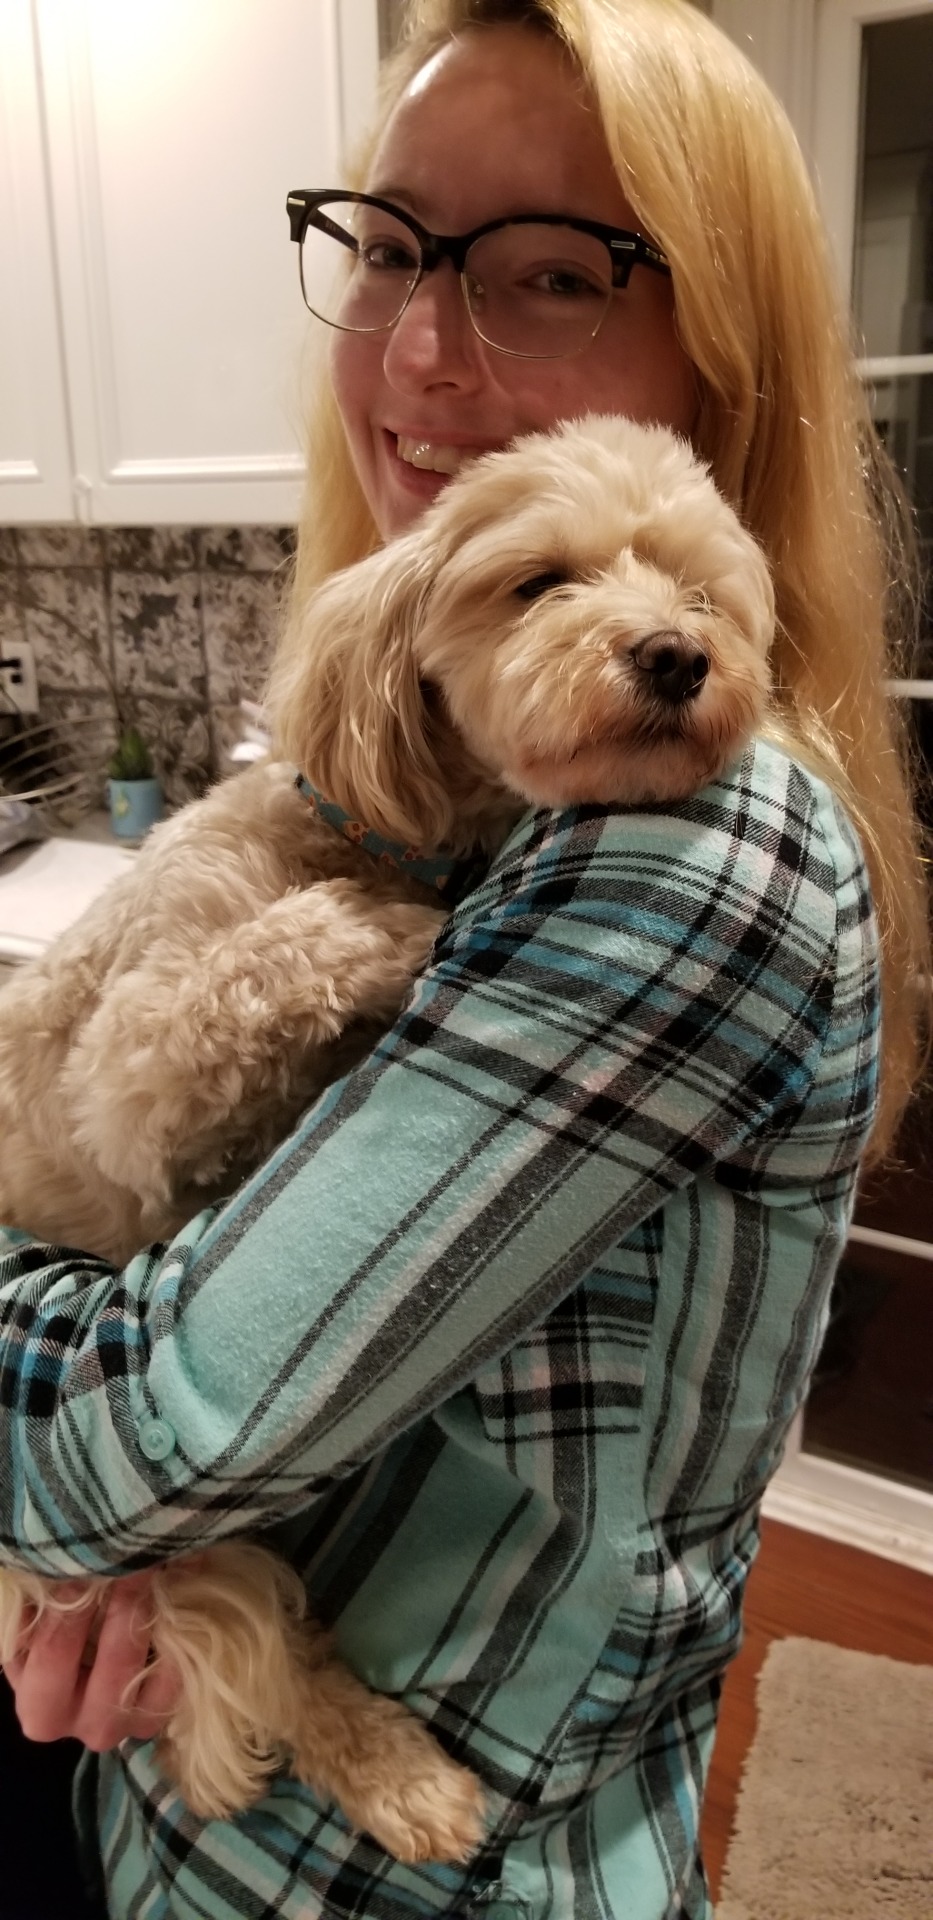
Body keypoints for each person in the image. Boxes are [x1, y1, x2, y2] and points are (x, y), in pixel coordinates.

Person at [0, 1, 929, 1915]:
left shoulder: (694, 851)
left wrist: (81, 1495)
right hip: (203, 1788)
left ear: (722, 346)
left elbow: (131, 1437)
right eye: (393, 250)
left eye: (553, 271)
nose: (422, 349)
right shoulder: (427, 802)